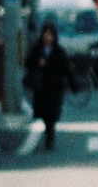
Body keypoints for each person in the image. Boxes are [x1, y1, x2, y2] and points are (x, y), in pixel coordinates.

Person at [23, 21, 72, 149]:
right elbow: (28, 63)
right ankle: (48, 132)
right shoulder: (37, 49)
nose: (48, 37)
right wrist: (38, 64)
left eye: (50, 35)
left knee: (52, 113)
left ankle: (50, 136)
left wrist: (73, 84)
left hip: (55, 87)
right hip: (42, 87)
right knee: (44, 113)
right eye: (46, 34)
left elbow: (66, 69)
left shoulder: (59, 51)